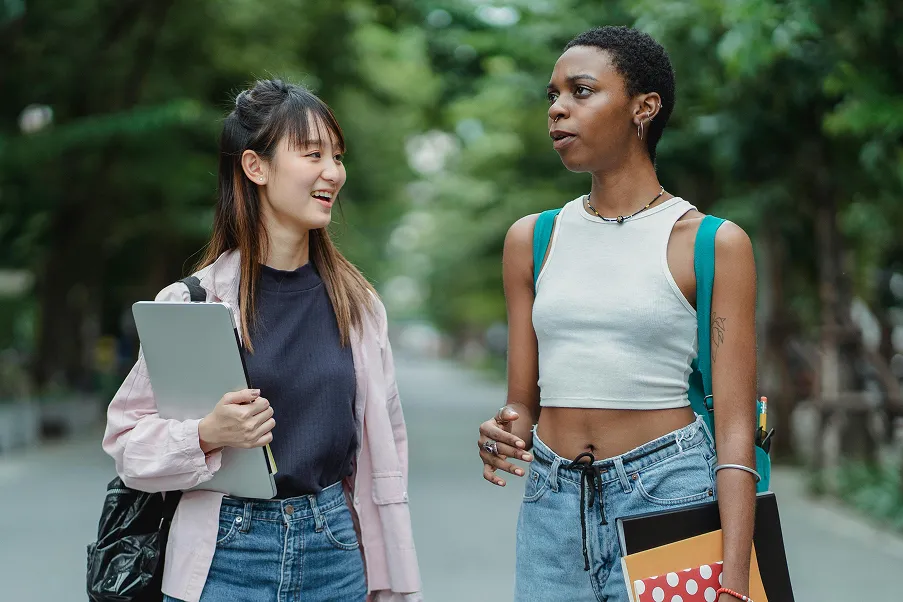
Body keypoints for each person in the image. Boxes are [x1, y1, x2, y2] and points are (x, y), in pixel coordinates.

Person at [103, 79, 421, 602]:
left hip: (335, 550)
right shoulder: (194, 301)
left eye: (337, 157)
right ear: (256, 167)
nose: (333, 172)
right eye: (313, 154)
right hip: (225, 554)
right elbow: (126, 445)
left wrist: (393, 580)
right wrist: (206, 433)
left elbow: (388, 455)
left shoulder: (359, 306)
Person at [477, 26, 758, 602]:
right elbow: (522, 401)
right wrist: (504, 428)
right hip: (551, 503)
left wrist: (734, 578)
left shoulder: (712, 244)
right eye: (551, 95)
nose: (557, 109)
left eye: (580, 91)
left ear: (644, 108)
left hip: (668, 491)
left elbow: (734, 429)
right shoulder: (532, 239)